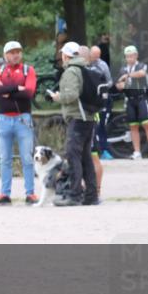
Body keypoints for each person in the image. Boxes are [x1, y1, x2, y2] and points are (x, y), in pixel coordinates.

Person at [0, 41, 38, 206]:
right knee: (4, 159)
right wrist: (18, 88)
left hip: (22, 118)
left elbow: (29, 92)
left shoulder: (28, 70)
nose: (15, 55)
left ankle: (30, 193)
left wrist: (8, 90)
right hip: (3, 119)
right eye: (11, 52)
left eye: (18, 51)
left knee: (27, 158)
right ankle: (5, 193)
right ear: (5, 55)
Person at [49, 42, 98, 206]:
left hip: (77, 118)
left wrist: (57, 97)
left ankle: (74, 195)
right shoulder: (84, 68)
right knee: (86, 157)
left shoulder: (71, 71)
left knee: (73, 156)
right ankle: (91, 196)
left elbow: (71, 95)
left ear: (66, 55)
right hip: (88, 118)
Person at [116, 45, 148, 160]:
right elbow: (119, 84)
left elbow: (141, 73)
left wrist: (128, 75)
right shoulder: (122, 69)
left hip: (141, 98)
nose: (130, 58)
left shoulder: (142, 65)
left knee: (147, 124)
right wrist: (120, 86)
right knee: (133, 126)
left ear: (136, 56)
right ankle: (137, 152)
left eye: (132, 56)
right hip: (129, 100)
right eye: (127, 56)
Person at [89, 45, 114, 161]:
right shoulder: (86, 65)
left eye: (98, 55)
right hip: (92, 101)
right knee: (95, 125)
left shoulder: (102, 65)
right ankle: (95, 151)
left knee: (101, 125)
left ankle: (105, 151)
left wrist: (101, 88)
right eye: (94, 55)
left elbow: (110, 82)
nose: (96, 57)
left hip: (103, 100)